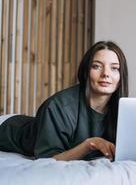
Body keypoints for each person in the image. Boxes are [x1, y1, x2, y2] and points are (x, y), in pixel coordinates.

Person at [0, 41, 128, 161]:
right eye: (97, 66)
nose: (106, 73)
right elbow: (48, 160)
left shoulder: (122, 110)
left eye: (114, 68)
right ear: (85, 72)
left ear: (121, 76)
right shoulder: (58, 106)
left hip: (36, 123)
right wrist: (90, 144)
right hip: (7, 130)